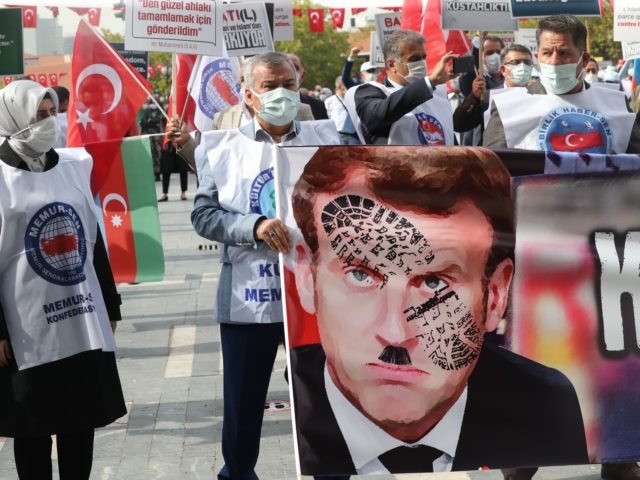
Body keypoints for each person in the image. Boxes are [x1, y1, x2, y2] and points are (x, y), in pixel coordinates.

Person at [287, 146, 589, 476]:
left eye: (433, 283)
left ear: (496, 295)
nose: (395, 334)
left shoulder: (543, 403)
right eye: (361, 275)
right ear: (307, 278)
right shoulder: (304, 393)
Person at [190, 52, 340, 480]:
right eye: (270, 86)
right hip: (248, 298)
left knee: (325, 399)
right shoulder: (221, 147)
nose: (281, 95)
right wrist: (251, 226)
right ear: (249, 95)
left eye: (289, 85)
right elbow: (203, 215)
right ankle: (238, 473)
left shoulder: (326, 138)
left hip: (316, 301)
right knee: (242, 405)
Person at [0, 80, 126, 479]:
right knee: (32, 424)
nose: (46, 123)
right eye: (36, 116)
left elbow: (93, 238)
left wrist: (110, 303)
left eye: (49, 113)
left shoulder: (73, 165)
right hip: (26, 328)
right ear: (12, 117)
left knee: (79, 418)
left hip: (78, 315)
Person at [484, 15, 640, 154]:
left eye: (564, 53)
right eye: (547, 53)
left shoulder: (616, 103)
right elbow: (492, 172)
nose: (554, 61)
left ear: (584, 59)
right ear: (537, 58)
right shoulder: (509, 107)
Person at [166, 60, 314, 171]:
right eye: (242, 79)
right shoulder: (224, 118)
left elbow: (317, 159)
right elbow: (209, 167)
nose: (245, 84)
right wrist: (185, 142)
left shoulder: (301, 111)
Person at [348, 29, 457, 145]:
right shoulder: (367, 92)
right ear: (391, 64)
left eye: (423, 57)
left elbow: (448, 136)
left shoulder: (436, 93)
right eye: (414, 59)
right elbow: (378, 115)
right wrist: (429, 82)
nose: (421, 63)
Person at [453, 44, 534, 142]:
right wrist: (474, 97)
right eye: (516, 62)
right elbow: (459, 125)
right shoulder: (489, 98)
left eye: (527, 62)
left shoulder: (540, 97)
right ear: (503, 70)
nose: (522, 66)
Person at [286, 53, 329, 120]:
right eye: (286, 66)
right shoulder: (267, 106)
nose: (289, 70)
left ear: (302, 76)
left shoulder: (318, 106)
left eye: (295, 67)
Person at [324, 77, 360, 145]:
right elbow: (327, 118)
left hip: (352, 135)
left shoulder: (353, 99)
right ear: (340, 87)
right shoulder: (329, 101)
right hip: (337, 134)